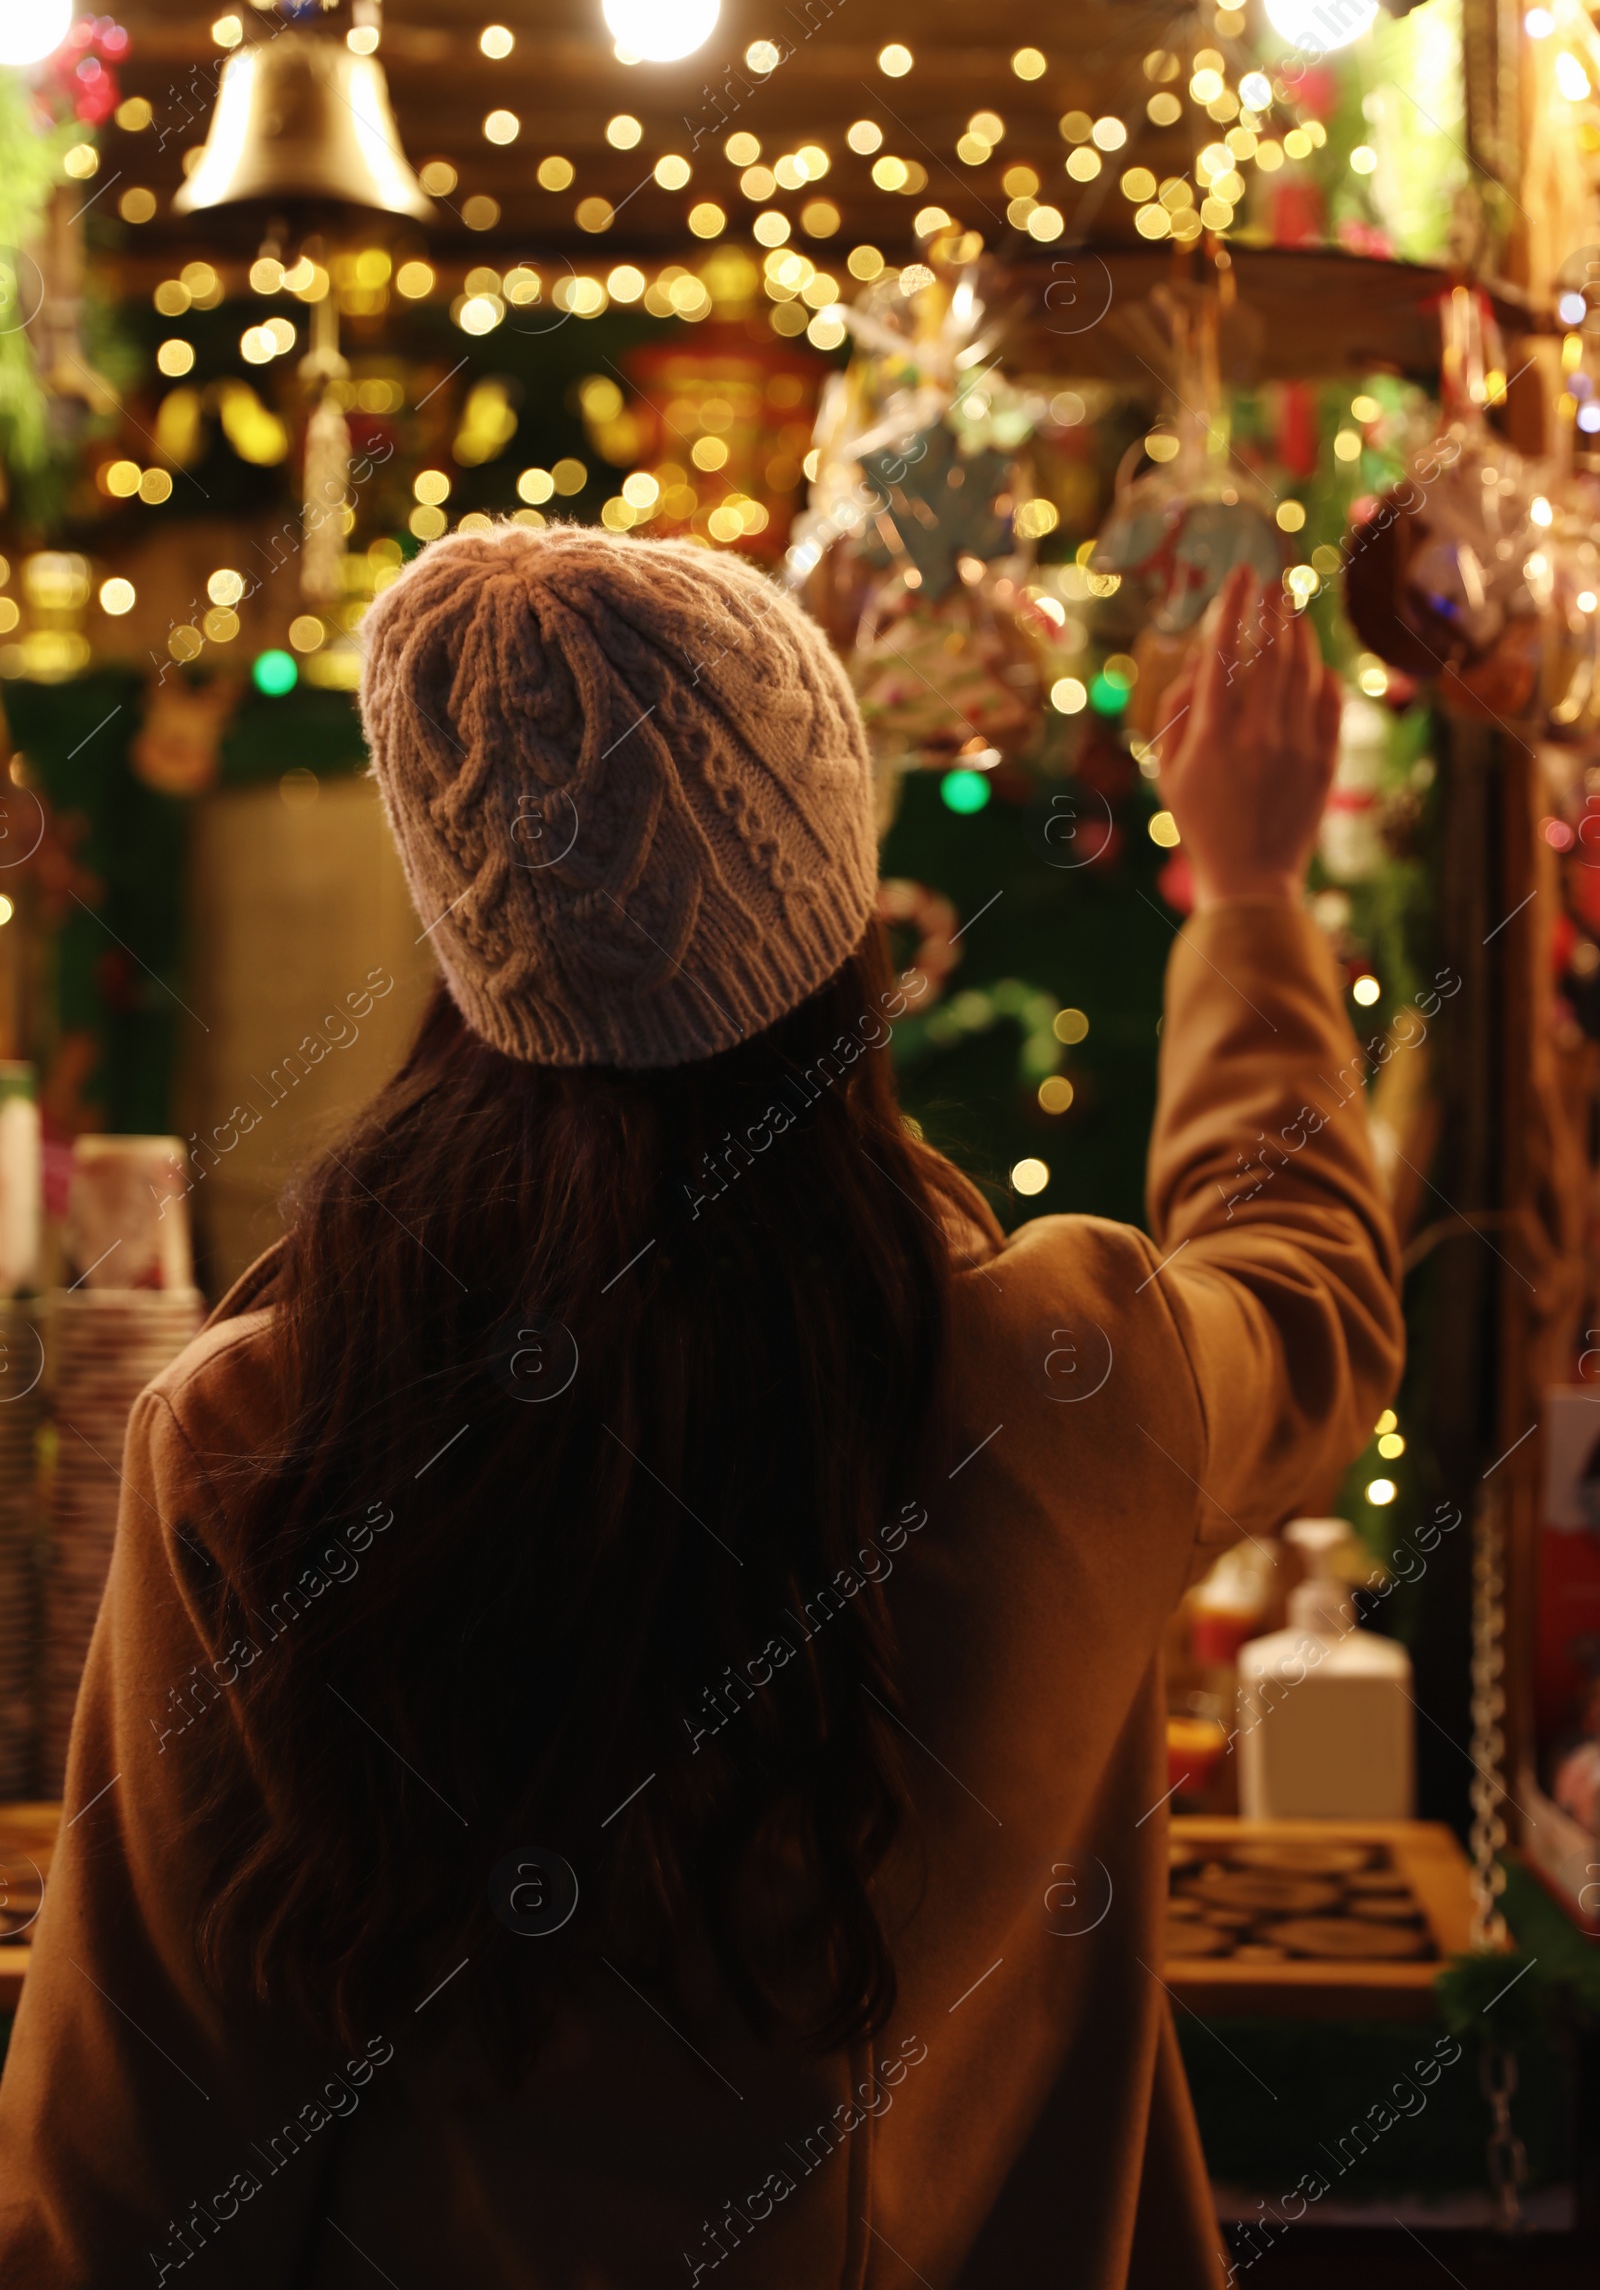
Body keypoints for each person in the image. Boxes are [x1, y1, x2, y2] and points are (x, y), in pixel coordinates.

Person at [0, 532, 1400, 2288]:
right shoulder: (1065, 1379)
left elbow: (135, 2158)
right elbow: (1309, 1287)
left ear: (467, 933)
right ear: (841, 926)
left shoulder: (263, 1433)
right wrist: (1256, 895)